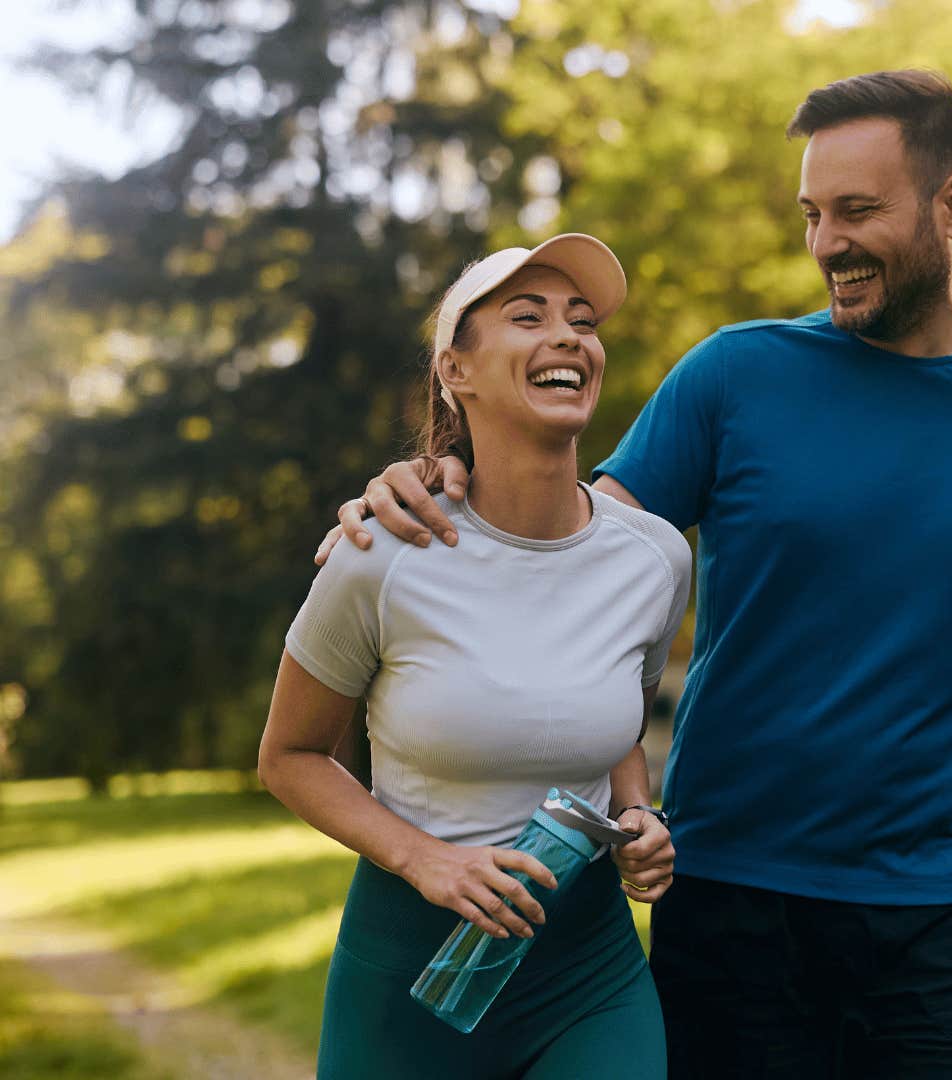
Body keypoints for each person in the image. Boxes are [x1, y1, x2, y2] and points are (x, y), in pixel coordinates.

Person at [321, 70, 952, 1078]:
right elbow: (565, 547)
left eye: (857, 210)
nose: (826, 243)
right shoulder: (735, 376)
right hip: (733, 910)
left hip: (943, 919)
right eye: (812, 215)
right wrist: (438, 474)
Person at [262, 233, 688, 1078]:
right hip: (411, 973)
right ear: (455, 371)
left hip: (588, 974)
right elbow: (290, 756)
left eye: (583, 321)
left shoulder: (656, 559)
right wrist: (426, 860)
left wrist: (640, 817)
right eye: (528, 317)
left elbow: (616, 733)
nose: (568, 337)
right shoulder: (380, 557)